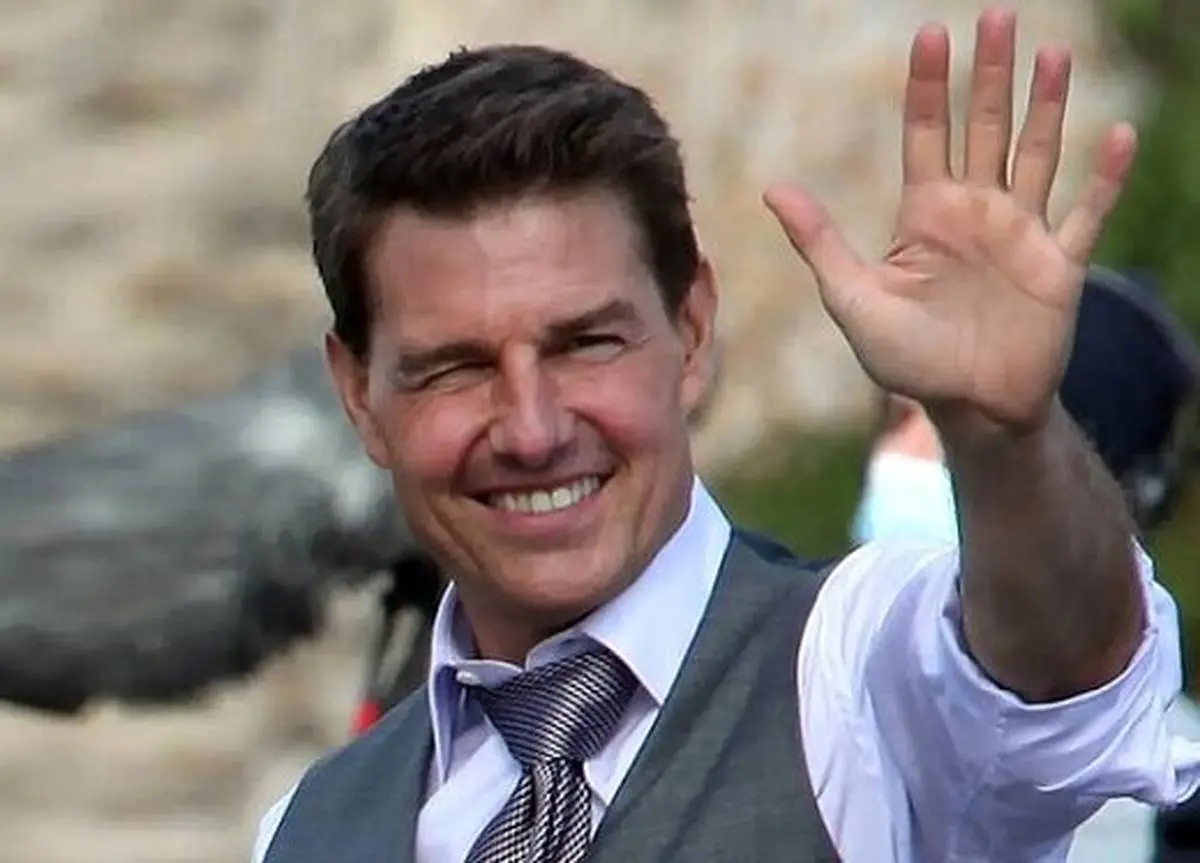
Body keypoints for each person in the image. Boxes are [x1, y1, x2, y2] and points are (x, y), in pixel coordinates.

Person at [252, 8, 1200, 861]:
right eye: (457, 366)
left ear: (693, 330)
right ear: (359, 393)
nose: (533, 430)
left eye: (586, 343)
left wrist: (1003, 439)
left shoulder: (859, 684)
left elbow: (1062, 671)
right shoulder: (309, 830)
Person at [852, 264, 1200, 861]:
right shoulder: (812, 712)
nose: (897, 457)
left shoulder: (1175, 799)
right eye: (900, 419)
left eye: (952, 428)